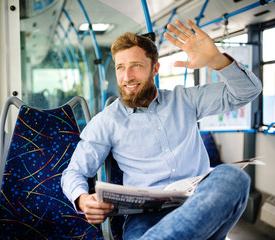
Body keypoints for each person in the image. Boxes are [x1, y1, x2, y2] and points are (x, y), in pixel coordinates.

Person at [61, 19, 262, 240]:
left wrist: (217, 60)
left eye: (136, 66)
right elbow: (75, 172)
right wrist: (82, 198)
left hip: (200, 206)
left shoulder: (185, 99)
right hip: (145, 218)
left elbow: (247, 92)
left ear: (155, 68)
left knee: (234, 177)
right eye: (120, 68)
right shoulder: (106, 121)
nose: (127, 77)